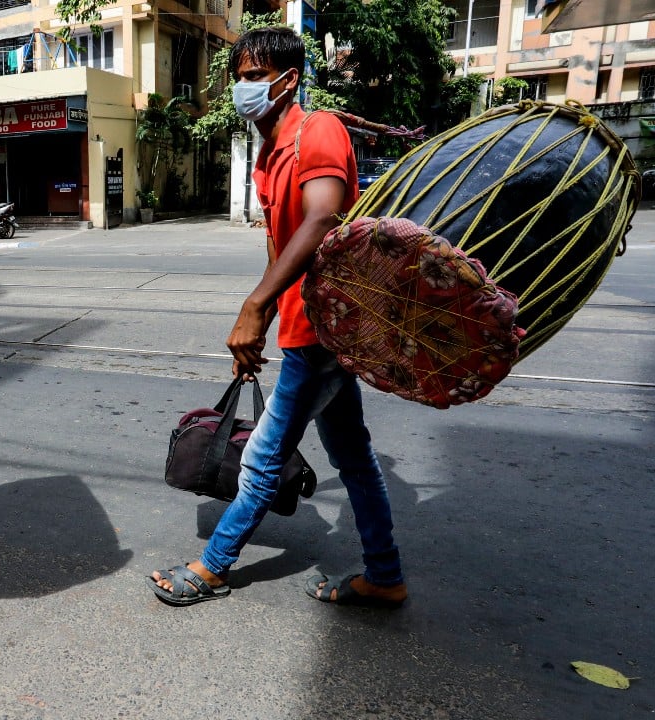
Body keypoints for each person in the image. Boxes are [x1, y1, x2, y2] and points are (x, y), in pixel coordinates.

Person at [148, 26, 407, 609]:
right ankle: (385, 574)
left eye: (252, 78)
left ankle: (213, 566)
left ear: (288, 80)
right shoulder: (267, 153)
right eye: (236, 78)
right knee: (354, 456)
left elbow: (319, 219)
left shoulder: (318, 131)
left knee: (264, 457)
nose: (241, 89)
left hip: (323, 329)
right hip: (308, 325)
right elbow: (279, 243)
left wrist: (254, 305)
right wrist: (264, 319)